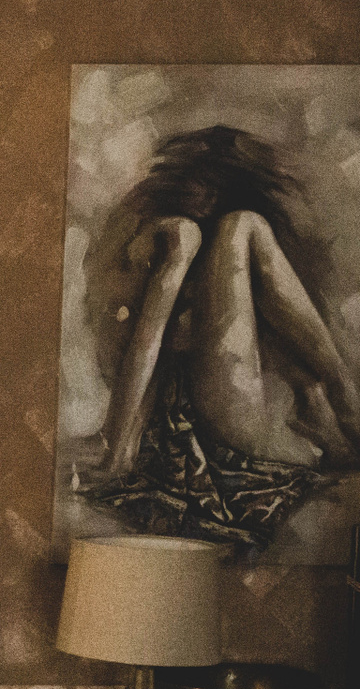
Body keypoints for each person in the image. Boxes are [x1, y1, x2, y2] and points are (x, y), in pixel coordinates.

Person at [85, 125, 360, 548]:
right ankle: (344, 402)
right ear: (181, 177)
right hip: (205, 416)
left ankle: (338, 408)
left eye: (217, 187)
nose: (208, 196)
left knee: (243, 225)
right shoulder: (178, 234)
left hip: (226, 407)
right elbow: (146, 344)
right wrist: (116, 449)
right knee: (244, 225)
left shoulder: (206, 250)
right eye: (203, 182)